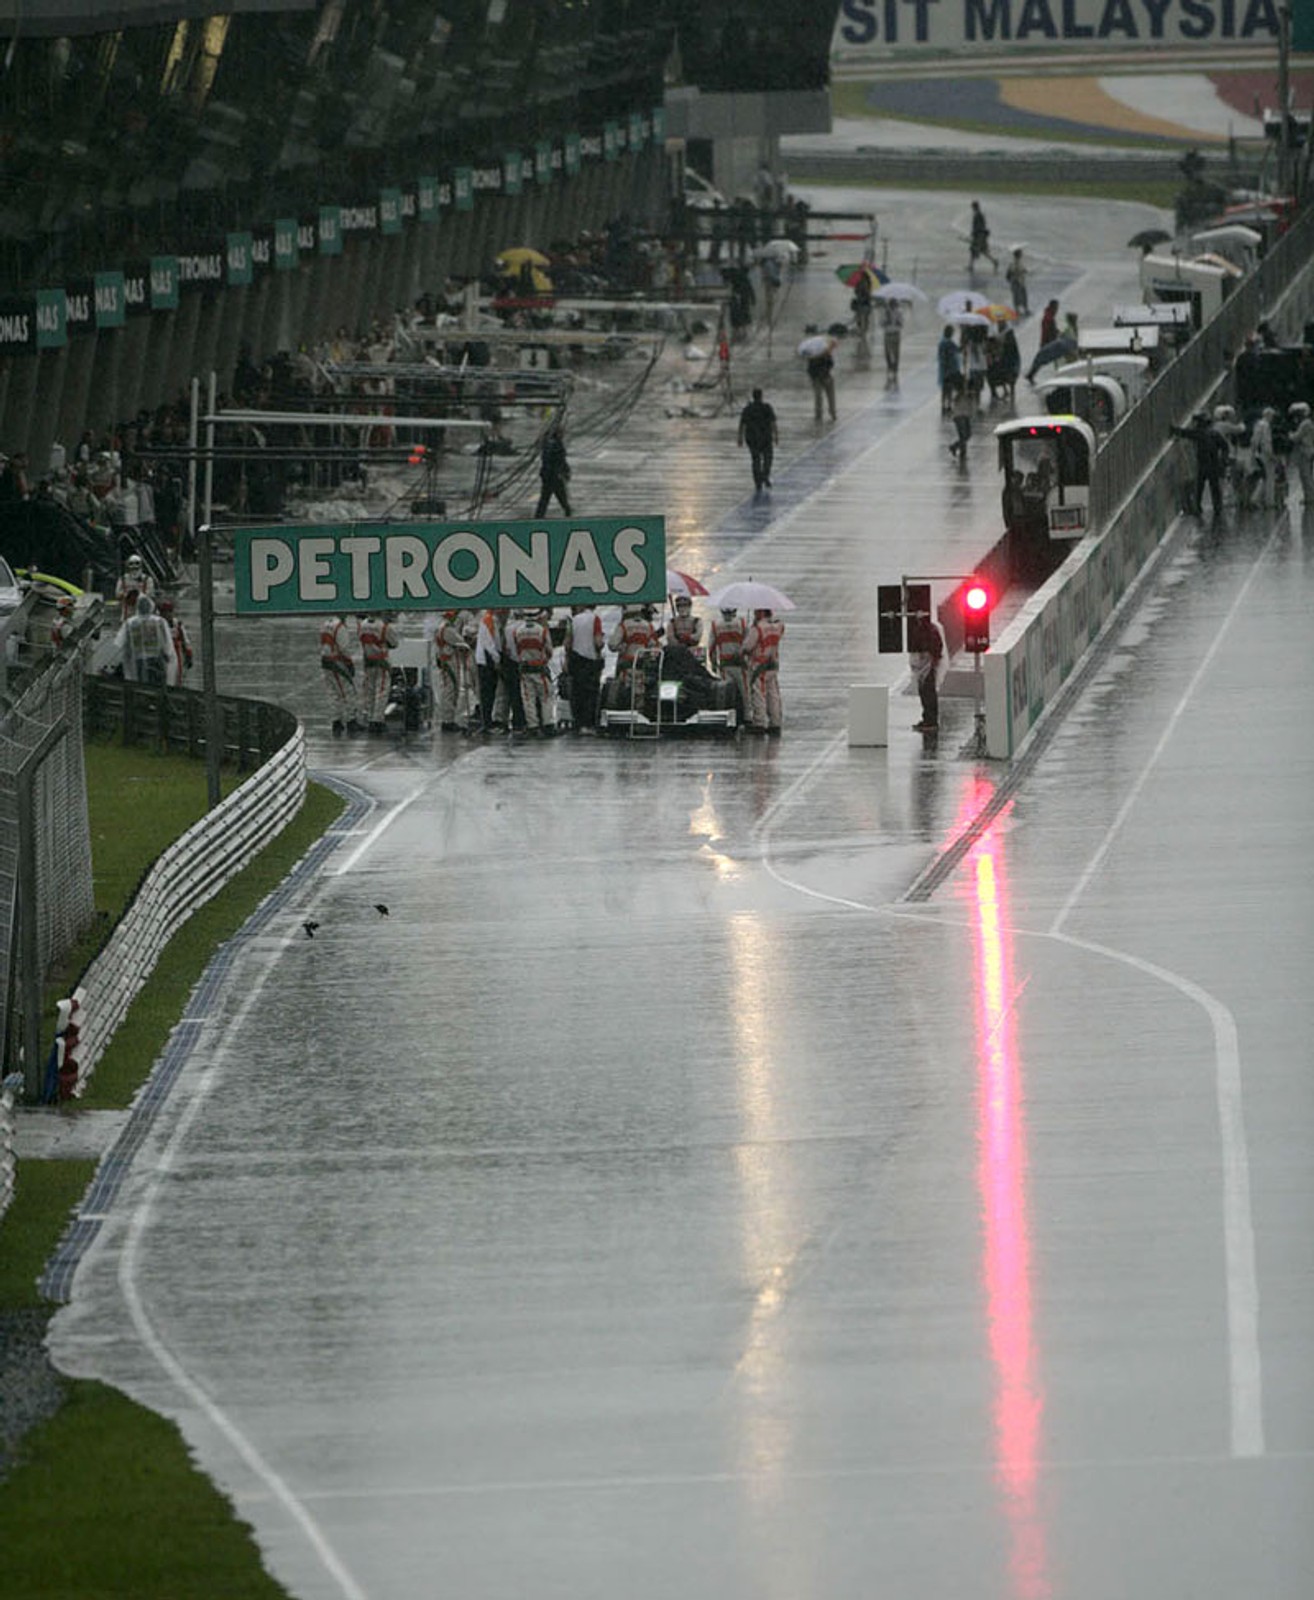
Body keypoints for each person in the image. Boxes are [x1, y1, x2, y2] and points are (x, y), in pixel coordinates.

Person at [1171, 411, 1228, 517]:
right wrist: (1223, 460)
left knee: (1200, 487)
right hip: (1213, 464)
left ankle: (1198, 507)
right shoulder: (1214, 433)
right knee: (1214, 487)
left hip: (1203, 464)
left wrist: (1175, 430)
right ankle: (1217, 507)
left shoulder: (1199, 433)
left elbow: (1186, 433)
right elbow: (1225, 447)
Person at [509, 608, 554, 736]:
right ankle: (547, 724)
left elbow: (516, 650)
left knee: (528, 698)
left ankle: (532, 726)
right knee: (545, 697)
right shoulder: (542, 631)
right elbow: (549, 650)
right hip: (540, 668)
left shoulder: (517, 631)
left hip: (524, 669)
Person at [742, 607, 785, 735]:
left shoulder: (758, 628)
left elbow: (747, 646)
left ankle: (759, 723)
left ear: (760, 613)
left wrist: (746, 639)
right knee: (773, 695)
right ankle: (775, 723)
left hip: (759, 666)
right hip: (773, 665)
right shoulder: (778, 626)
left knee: (759, 694)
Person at [607, 603, 659, 702]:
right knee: (641, 692)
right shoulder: (648, 626)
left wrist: (623, 647)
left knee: (624, 692)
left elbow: (612, 645)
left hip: (626, 665)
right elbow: (653, 646)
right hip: (642, 665)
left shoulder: (624, 625)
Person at [357, 611, 398, 733]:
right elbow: (394, 643)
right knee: (381, 692)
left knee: (369, 691)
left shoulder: (362, 625)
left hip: (368, 661)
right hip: (382, 662)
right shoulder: (384, 627)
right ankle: (377, 720)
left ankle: (369, 717)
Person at [567, 603, 605, 732]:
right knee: (591, 694)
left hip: (576, 659)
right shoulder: (595, 619)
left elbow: (568, 642)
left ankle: (578, 722)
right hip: (590, 660)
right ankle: (588, 724)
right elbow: (598, 642)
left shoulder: (574, 620)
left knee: (577, 693)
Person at [320, 613, 360, 735]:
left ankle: (336, 721)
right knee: (347, 692)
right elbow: (344, 648)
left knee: (333, 693)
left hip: (326, 661)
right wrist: (349, 664)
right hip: (337, 663)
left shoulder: (326, 624)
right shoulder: (340, 627)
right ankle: (351, 721)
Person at [708, 605, 749, 722]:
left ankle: (731, 717)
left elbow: (711, 647)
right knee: (744, 692)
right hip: (741, 665)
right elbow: (748, 644)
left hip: (725, 665)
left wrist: (713, 663)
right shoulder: (742, 623)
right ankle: (747, 717)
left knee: (728, 692)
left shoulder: (716, 625)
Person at [433, 609, 471, 731]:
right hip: (450, 662)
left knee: (448, 690)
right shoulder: (448, 629)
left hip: (447, 661)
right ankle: (448, 720)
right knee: (450, 691)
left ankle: (448, 719)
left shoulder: (440, 627)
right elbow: (461, 643)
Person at [123, 594, 172, 685]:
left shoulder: (131, 623)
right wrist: (167, 656)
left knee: (142, 684)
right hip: (157, 659)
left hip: (139, 659)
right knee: (158, 685)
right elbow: (167, 643)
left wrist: (127, 662)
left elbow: (125, 646)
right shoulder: (160, 621)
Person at [908, 612, 944, 733]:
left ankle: (930, 720)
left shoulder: (927, 631)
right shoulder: (931, 629)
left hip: (927, 664)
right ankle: (928, 719)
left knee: (927, 692)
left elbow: (934, 648)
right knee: (926, 692)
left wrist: (931, 660)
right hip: (927, 663)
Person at [738, 387, 778, 492]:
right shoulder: (767, 408)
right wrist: (776, 436)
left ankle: (758, 481)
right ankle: (764, 476)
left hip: (752, 438)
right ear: (761, 396)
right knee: (767, 459)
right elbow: (773, 423)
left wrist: (740, 438)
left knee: (755, 460)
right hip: (766, 438)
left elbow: (742, 424)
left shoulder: (748, 409)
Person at [535, 422, 572, 517]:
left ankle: (539, 515)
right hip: (554, 475)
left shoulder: (547, 442)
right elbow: (560, 460)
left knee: (545, 497)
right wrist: (565, 472)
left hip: (547, 475)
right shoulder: (557, 445)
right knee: (560, 495)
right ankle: (567, 511)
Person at [156, 597, 192, 687]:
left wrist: (189, 655)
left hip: (176, 657)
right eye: (163, 612)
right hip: (160, 656)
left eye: (168, 611)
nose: (166, 614)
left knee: (176, 680)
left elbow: (185, 641)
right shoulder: (156, 624)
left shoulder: (177, 624)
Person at [1287, 402, 1314, 505]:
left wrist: (1289, 435)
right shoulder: (1308, 422)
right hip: (1309, 451)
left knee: (1305, 475)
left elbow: (1296, 437)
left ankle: (1310, 498)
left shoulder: (1305, 423)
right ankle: (1309, 496)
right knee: (1307, 475)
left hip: (1305, 451)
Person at [806, 338, 837, 423]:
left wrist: (827, 358)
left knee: (831, 396)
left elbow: (831, 364)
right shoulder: (813, 357)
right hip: (817, 379)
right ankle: (819, 414)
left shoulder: (827, 355)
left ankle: (832, 412)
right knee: (818, 397)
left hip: (827, 376)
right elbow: (810, 369)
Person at [115, 552, 154, 618]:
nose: (134, 567)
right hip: (127, 614)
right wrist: (128, 595)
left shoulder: (147, 579)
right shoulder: (122, 579)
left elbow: (150, 594)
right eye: (131, 564)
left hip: (143, 615)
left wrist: (138, 596)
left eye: (137, 564)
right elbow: (117, 594)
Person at [948, 375, 975, 462]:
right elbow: (955, 399)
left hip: (966, 415)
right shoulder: (958, 393)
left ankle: (955, 447)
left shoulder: (970, 393)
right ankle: (962, 452)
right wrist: (962, 391)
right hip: (959, 416)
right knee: (963, 435)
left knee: (967, 435)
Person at [937, 325, 961, 416]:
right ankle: (949, 405)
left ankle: (943, 405)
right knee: (949, 389)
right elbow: (958, 350)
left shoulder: (942, 343)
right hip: (950, 370)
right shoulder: (949, 343)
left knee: (945, 389)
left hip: (943, 370)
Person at [880, 296, 904, 383]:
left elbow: (902, 323)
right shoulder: (885, 312)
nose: (893, 306)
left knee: (896, 352)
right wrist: (886, 321)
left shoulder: (899, 312)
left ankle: (895, 368)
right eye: (891, 304)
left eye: (894, 304)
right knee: (887, 352)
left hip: (896, 334)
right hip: (888, 334)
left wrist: (898, 322)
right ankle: (889, 366)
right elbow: (881, 323)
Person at [969, 201, 997, 273]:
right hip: (980, 235)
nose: (972, 208)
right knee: (978, 250)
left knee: (976, 250)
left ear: (975, 207)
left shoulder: (978, 215)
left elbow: (980, 226)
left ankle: (994, 261)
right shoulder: (979, 214)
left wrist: (975, 232)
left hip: (980, 236)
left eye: (972, 207)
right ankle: (994, 261)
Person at [1005, 248, 1029, 315]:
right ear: (1018, 255)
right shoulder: (1014, 262)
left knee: (1021, 296)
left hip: (1019, 282)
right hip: (1017, 282)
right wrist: (1022, 271)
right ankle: (1019, 310)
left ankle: (1022, 309)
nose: (1022, 254)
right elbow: (1013, 271)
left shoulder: (1018, 262)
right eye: (1021, 253)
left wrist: (1024, 270)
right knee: (1018, 296)